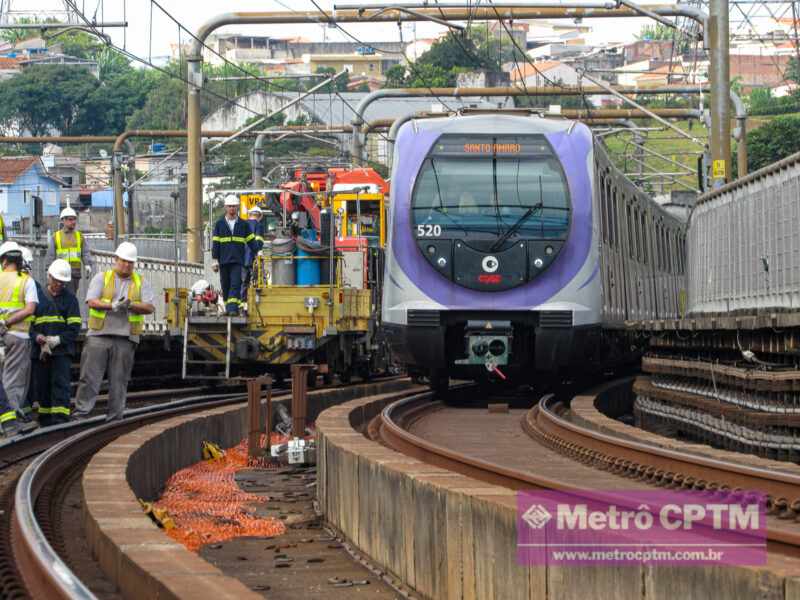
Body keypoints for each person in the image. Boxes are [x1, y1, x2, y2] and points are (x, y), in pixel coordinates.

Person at [73, 242, 155, 421]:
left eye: (130, 262)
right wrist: (112, 305)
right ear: (115, 259)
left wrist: (131, 304)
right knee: (89, 379)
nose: (126, 265)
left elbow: (150, 307)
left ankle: (115, 419)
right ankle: (81, 416)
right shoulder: (102, 277)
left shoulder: (141, 281)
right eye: (123, 261)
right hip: (98, 335)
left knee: (119, 382)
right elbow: (91, 301)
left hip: (125, 338)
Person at [29, 259, 81, 426]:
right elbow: (28, 325)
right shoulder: (37, 298)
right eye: (56, 280)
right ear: (49, 276)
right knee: (42, 387)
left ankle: (60, 421)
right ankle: (44, 420)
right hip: (40, 351)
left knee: (61, 386)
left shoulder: (71, 300)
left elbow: (74, 328)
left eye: (62, 282)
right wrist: (36, 337)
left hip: (61, 352)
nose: (59, 284)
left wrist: (58, 340)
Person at [0, 241, 38, 435]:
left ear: (5, 260)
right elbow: (30, 309)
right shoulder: (26, 280)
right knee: (13, 380)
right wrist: (7, 323)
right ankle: (9, 422)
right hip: (18, 335)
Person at [212, 195, 259, 315]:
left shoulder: (243, 224)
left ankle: (232, 310)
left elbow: (251, 241)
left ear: (237, 207)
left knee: (235, 283)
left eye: (234, 206)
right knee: (225, 285)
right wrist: (215, 260)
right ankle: (229, 307)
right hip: (223, 260)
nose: (232, 208)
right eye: (229, 206)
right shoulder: (219, 224)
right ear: (225, 207)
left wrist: (258, 252)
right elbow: (216, 243)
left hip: (238, 260)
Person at [47, 206, 95, 295]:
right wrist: (49, 269)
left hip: (74, 273)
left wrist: (87, 264)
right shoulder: (56, 236)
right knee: (59, 296)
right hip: (60, 273)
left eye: (74, 219)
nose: (73, 222)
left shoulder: (79, 236)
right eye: (70, 219)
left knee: (71, 297)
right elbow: (50, 255)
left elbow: (85, 252)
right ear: (63, 220)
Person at [241, 205, 265, 302]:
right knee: (257, 280)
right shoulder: (259, 226)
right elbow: (258, 241)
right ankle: (256, 301)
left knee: (243, 282)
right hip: (254, 258)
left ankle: (242, 303)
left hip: (242, 258)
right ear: (259, 216)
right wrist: (258, 251)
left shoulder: (242, 225)